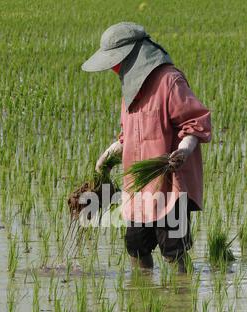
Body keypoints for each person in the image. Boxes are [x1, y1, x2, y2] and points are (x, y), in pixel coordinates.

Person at [82, 22, 211, 271]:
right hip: (140, 187)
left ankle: (181, 300)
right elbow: (129, 135)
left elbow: (195, 121)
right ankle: (143, 300)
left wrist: (184, 150)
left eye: (115, 61)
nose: (113, 68)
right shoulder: (129, 90)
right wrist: (109, 155)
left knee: (174, 248)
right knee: (136, 245)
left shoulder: (169, 81)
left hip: (170, 186)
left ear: (132, 56)